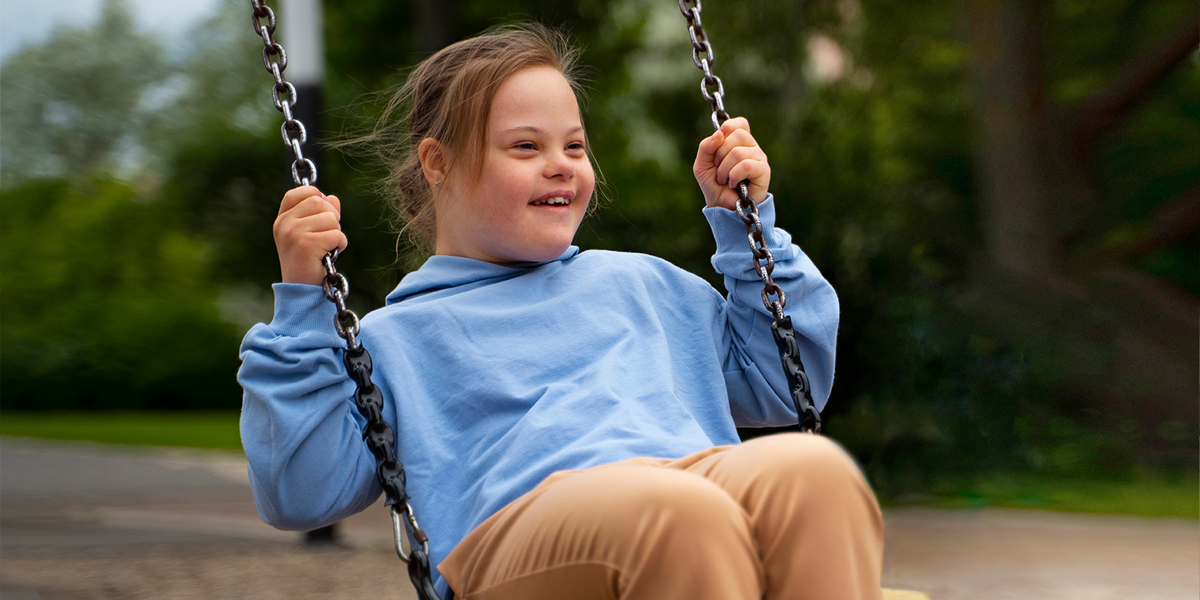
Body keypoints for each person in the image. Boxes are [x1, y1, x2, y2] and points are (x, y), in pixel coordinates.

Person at [239, 23, 883, 600]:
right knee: (676, 512)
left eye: (574, 147)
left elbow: (784, 382)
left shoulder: (647, 285)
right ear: (438, 163)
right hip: (514, 539)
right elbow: (303, 490)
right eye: (525, 147)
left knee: (813, 471)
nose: (560, 167)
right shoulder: (392, 339)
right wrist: (302, 304)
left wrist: (748, 229)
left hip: (684, 486)